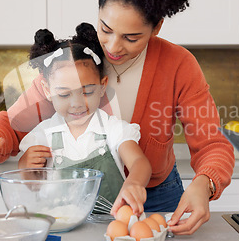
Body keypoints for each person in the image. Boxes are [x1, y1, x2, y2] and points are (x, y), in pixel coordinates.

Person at [0, 0, 234, 235]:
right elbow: (14, 124)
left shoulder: (178, 65)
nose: (113, 46)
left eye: (131, 37)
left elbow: (212, 143)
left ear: (157, 27)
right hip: (82, 201)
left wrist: (204, 184)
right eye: (105, 29)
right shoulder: (77, 60)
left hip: (157, 198)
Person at [17, 24, 151, 214]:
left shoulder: (112, 129)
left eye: (87, 91)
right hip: (61, 228)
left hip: (108, 229)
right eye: (64, 95)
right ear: (47, 90)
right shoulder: (44, 134)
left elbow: (139, 162)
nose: (77, 103)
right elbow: (32, 184)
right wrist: (25, 166)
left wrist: (134, 183)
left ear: (102, 86)